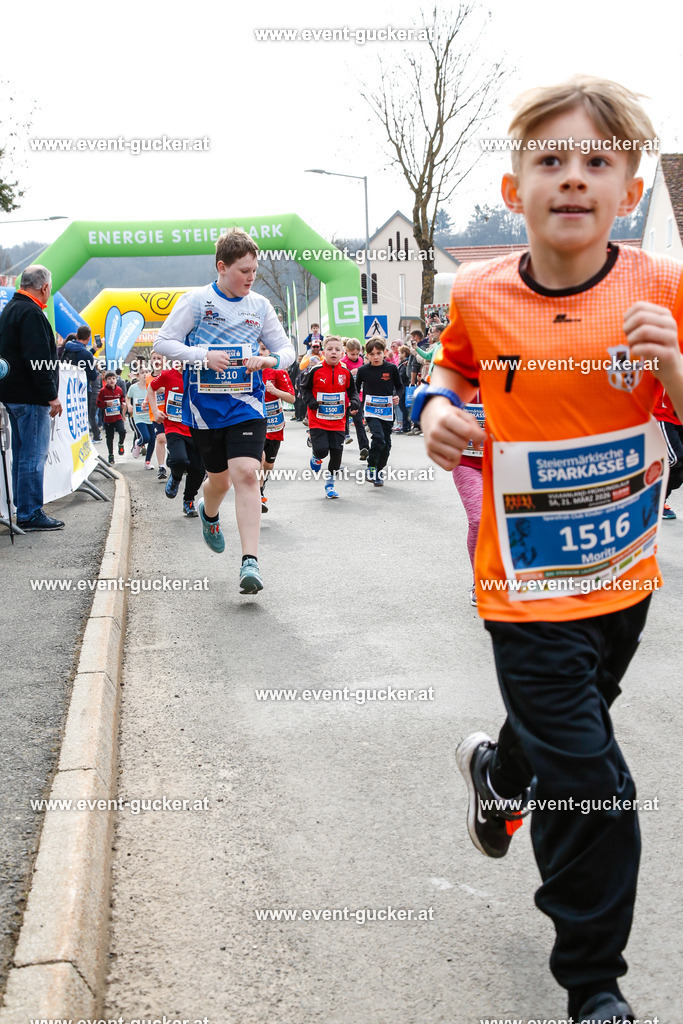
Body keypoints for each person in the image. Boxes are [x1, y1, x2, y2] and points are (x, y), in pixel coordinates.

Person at [418, 76, 683, 1024]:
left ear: (628, 191)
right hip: (521, 583)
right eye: (550, 160)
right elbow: (449, 362)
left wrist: (672, 368)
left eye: (597, 162)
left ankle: (499, 778)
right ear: (511, 189)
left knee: (566, 737)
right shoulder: (479, 292)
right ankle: (593, 985)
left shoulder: (662, 288)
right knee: (595, 780)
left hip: (620, 574)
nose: (573, 178)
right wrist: (437, 408)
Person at [153, 228, 294, 594]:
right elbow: (164, 342)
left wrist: (268, 359)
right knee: (220, 481)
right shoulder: (197, 302)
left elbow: (287, 350)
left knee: (247, 473)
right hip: (204, 412)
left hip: (247, 405)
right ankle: (208, 513)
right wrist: (203, 356)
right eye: (244, 271)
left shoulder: (259, 306)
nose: (252, 277)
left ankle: (250, 563)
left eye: (255, 270)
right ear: (222, 267)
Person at [0, 264, 64, 530]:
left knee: (23, 453)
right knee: (33, 455)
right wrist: (51, 395)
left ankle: (24, 509)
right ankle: (29, 512)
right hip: (30, 395)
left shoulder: (10, 309)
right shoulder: (31, 313)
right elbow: (37, 358)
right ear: (45, 287)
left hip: (12, 393)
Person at [301, 335, 359, 499]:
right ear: (324, 352)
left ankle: (330, 485)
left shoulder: (345, 372)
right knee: (321, 450)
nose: (333, 352)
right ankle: (316, 456)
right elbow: (304, 389)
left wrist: (354, 401)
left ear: (343, 353)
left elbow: (352, 391)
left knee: (336, 455)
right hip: (318, 419)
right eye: (330, 349)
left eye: (337, 349)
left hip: (338, 420)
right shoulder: (316, 370)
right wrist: (311, 401)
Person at [147, 364, 205, 517]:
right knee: (179, 460)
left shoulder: (200, 375)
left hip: (197, 429)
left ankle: (189, 500)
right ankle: (176, 476)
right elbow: (151, 388)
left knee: (198, 470)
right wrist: (155, 410)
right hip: (174, 427)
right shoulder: (167, 375)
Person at [355, 339, 402, 487]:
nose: (375, 357)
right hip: (371, 410)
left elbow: (400, 387)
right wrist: (355, 403)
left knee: (386, 444)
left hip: (387, 411)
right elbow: (355, 390)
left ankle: (378, 471)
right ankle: (371, 467)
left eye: (379, 353)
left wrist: (397, 396)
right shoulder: (363, 371)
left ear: (384, 352)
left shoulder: (392, 368)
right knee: (378, 438)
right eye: (372, 354)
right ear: (367, 355)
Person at [258, 339, 295, 513]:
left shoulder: (278, 372)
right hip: (255, 423)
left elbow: (291, 398)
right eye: (257, 349)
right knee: (260, 458)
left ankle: (261, 485)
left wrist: (275, 391)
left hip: (274, 425)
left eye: (264, 349)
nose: (260, 352)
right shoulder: (248, 371)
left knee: (269, 465)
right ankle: (258, 494)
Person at [61, 324, 101, 441]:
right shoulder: (86, 354)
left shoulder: (66, 349)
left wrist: (93, 350)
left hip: (67, 389)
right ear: (88, 338)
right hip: (82, 390)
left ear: (77, 335)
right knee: (82, 420)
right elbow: (93, 376)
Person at [654, 388, 683, 519]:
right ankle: (648, 498)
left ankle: (659, 501)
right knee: (676, 459)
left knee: (679, 471)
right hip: (662, 415)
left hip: (678, 417)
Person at [341, 338, 369, 458]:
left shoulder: (361, 360)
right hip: (344, 396)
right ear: (346, 351)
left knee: (359, 421)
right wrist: (349, 372)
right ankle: (341, 443)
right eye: (352, 354)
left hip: (357, 395)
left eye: (357, 354)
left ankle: (364, 448)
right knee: (343, 421)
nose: (355, 356)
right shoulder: (342, 361)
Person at [96, 371, 126, 465]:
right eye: (109, 379)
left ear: (116, 379)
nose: (111, 380)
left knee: (122, 431)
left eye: (113, 378)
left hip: (117, 416)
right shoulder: (103, 391)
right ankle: (111, 455)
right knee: (110, 437)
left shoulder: (119, 390)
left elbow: (122, 399)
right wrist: (105, 404)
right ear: (105, 380)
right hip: (108, 418)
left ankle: (121, 444)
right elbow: (98, 403)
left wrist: (123, 404)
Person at [126, 374, 155, 463]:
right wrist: (129, 405)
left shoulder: (152, 386)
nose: (145, 374)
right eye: (142, 372)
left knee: (152, 439)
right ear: (138, 375)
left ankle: (148, 461)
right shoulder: (133, 387)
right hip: (139, 417)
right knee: (146, 437)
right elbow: (127, 397)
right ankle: (138, 443)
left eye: (147, 372)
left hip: (150, 416)